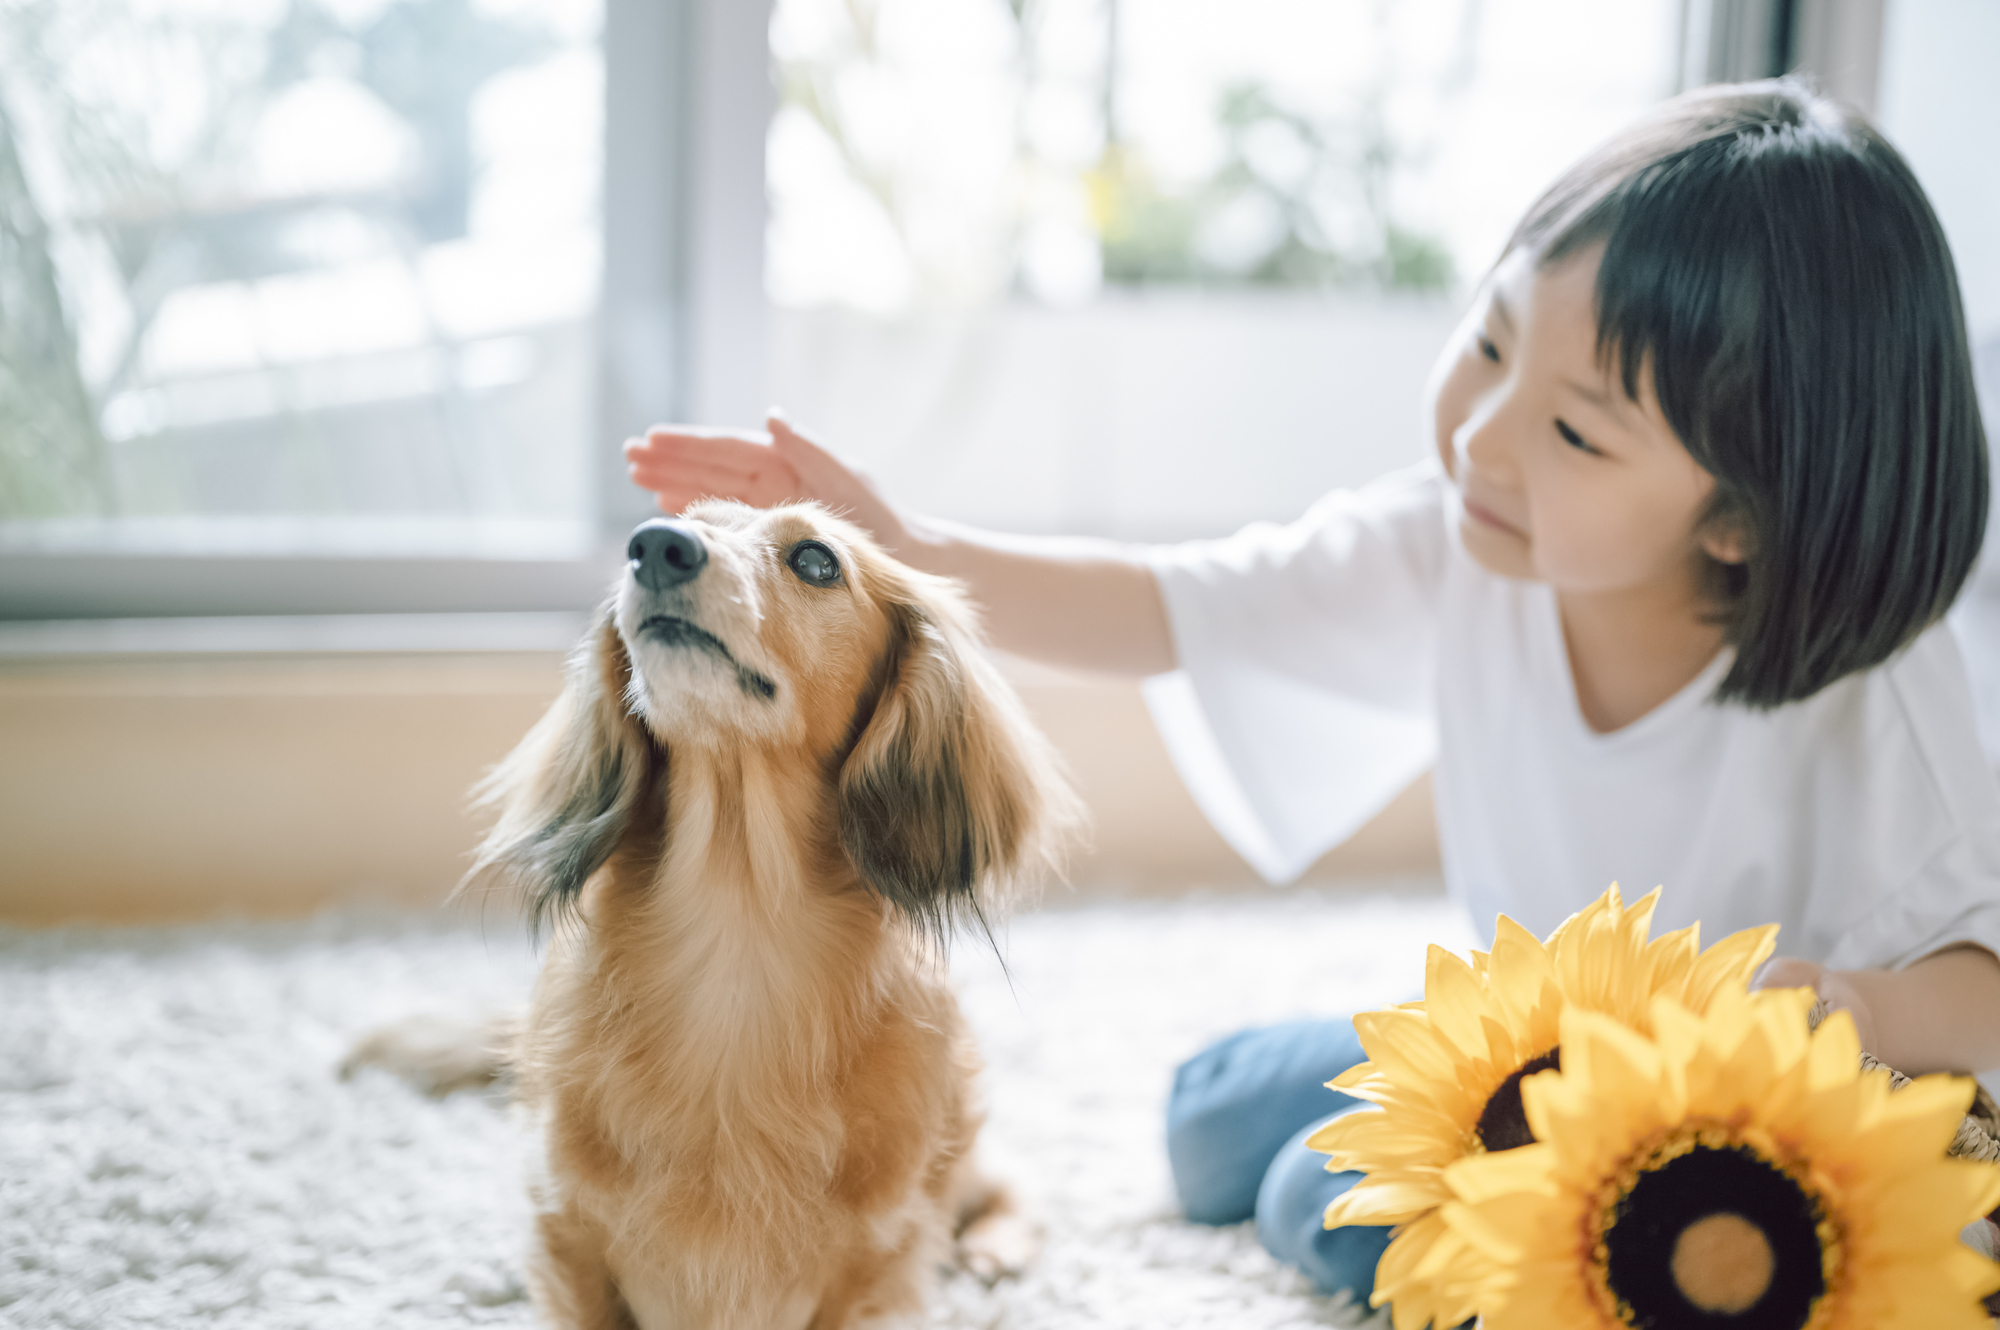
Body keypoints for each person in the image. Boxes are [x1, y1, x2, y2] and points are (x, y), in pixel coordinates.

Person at [622, 79, 2000, 1308]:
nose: (1480, 433)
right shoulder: (1463, 536)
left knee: (1304, 1201)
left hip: (1735, 1145)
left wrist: (1855, 1011)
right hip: (1541, 1043)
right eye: (1492, 338)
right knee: (1205, 1118)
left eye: (1575, 428)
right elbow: (1182, 603)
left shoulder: (1894, 716)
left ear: (1741, 520)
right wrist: (913, 547)